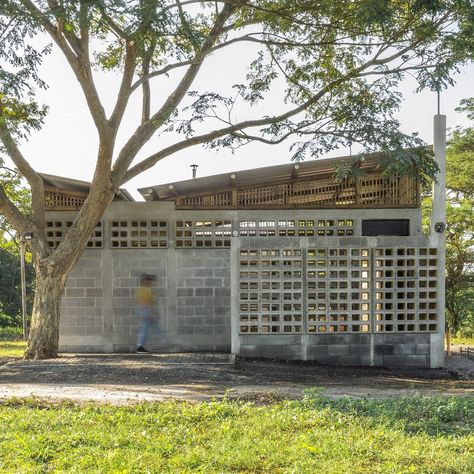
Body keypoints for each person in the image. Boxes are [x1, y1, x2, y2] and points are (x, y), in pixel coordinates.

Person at [135, 273, 157, 353]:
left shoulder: (146, 289)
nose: (151, 283)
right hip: (145, 310)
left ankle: (140, 346)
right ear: (145, 281)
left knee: (146, 329)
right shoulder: (143, 290)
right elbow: (143, 302)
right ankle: (140, 347)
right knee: (144, 329)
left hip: (146, 310)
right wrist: (148, 313)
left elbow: (149, 302)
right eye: (149, 281)